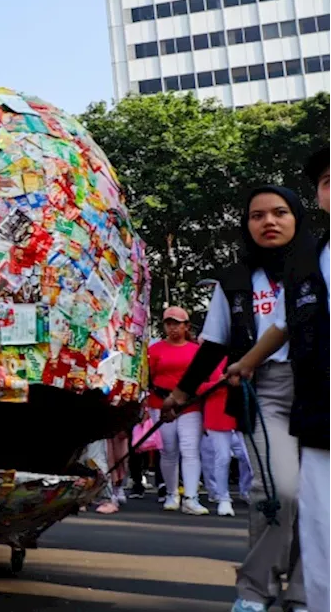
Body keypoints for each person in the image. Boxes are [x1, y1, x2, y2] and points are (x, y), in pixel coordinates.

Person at [162, 186, 314, 612]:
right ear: (245, 225)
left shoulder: (318, 266)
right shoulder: (234, 279)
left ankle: (304, 594)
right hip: (263, 392)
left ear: (297, 218)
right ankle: (254, 591)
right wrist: (180, 394)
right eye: (257, 215)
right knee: (277, 490)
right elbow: (212, 345)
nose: (268, 221)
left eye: (280, 212)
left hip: (319, 390)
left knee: (316, 498)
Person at [147, 307, 210, 515]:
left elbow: (204, 378)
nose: (173, 328)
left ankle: (191, 497)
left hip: (190, 405)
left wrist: (186, 398)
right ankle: (172, 493)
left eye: (177, 323)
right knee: (168, 451)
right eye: (169, 323)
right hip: (161, 404)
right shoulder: (155, 350)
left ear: (186, 326)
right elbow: (148, 378)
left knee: (190, 449)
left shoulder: (196, 350)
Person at [199, 362, 253, 517]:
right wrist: (219, 382)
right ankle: (223, 497)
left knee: (248, 457)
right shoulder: (210, 360)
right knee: (222, 457)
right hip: (218, 415)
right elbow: (198, 389)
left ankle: (246, 490)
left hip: (243, 414)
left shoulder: (246, 355)